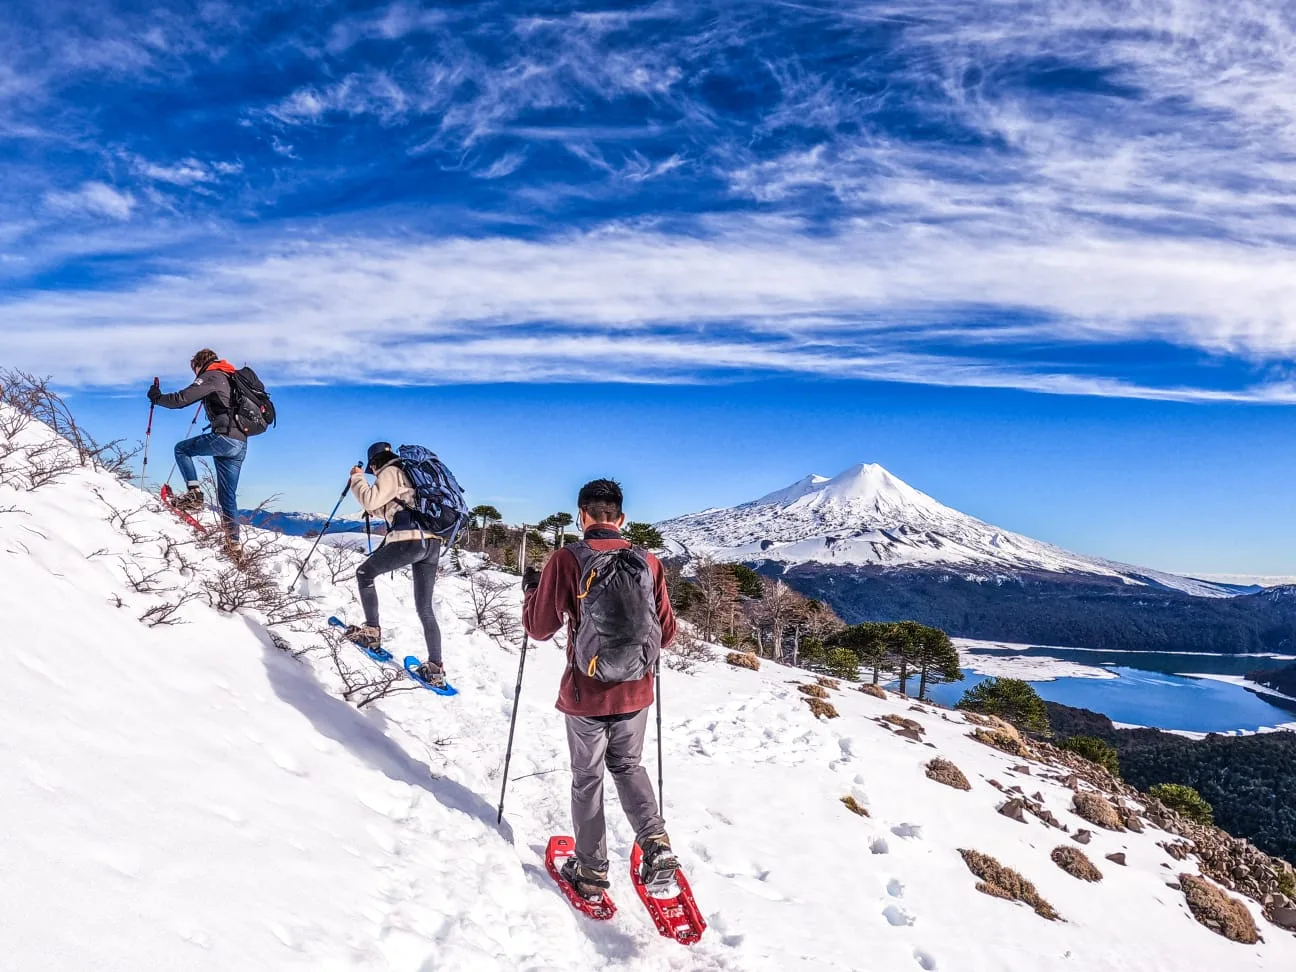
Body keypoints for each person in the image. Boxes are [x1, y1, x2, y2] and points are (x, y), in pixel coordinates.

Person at [522, 478, 679, 901]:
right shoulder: (648, 561)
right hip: (636, 692)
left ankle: (591, 873)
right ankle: (657, 846)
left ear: (582, 516)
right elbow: (665, 634)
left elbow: (538, 628)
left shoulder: (567, 558)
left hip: (586, 694)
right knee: (628, 766)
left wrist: (532, 592)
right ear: (622, 518)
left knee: (587, 778)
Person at [345, 441, 447, 688]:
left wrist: (357, 480)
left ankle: (371, 633)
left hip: (410, 542)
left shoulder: (390, 471)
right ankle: (435, 669)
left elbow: (369, 500)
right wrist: (379, 511)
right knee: (425, 607)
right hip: (431, 544)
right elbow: (396, 507)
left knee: (364, 573)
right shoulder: (408, 475)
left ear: (374, 463)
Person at [149, 349, 247, 548]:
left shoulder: (211, 375)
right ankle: (234, 543)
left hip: (225, 438)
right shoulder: (229, 376)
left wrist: (157, 398)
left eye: (194, 369)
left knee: (182, 449)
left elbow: (181, 399)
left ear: (198, 364)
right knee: (227, 495)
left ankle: (194, 494)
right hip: (240, 443)